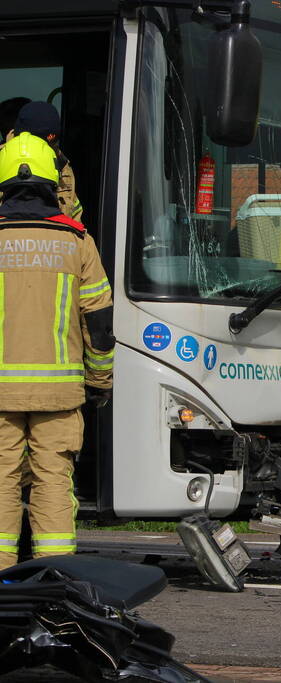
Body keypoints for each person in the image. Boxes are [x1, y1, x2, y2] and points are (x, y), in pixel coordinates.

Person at [0, 132, 113, 569]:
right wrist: (100, 382)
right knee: (52, 479)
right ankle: (55, 574)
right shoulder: (76, 241)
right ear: (53, 180)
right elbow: (99, 326)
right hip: (60, 396)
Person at [3, 101, 82, 221]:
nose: (45, 150)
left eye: (50, 143)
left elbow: (75, 221)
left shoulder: (63, 165)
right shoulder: (2, 159)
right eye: (38, 143)